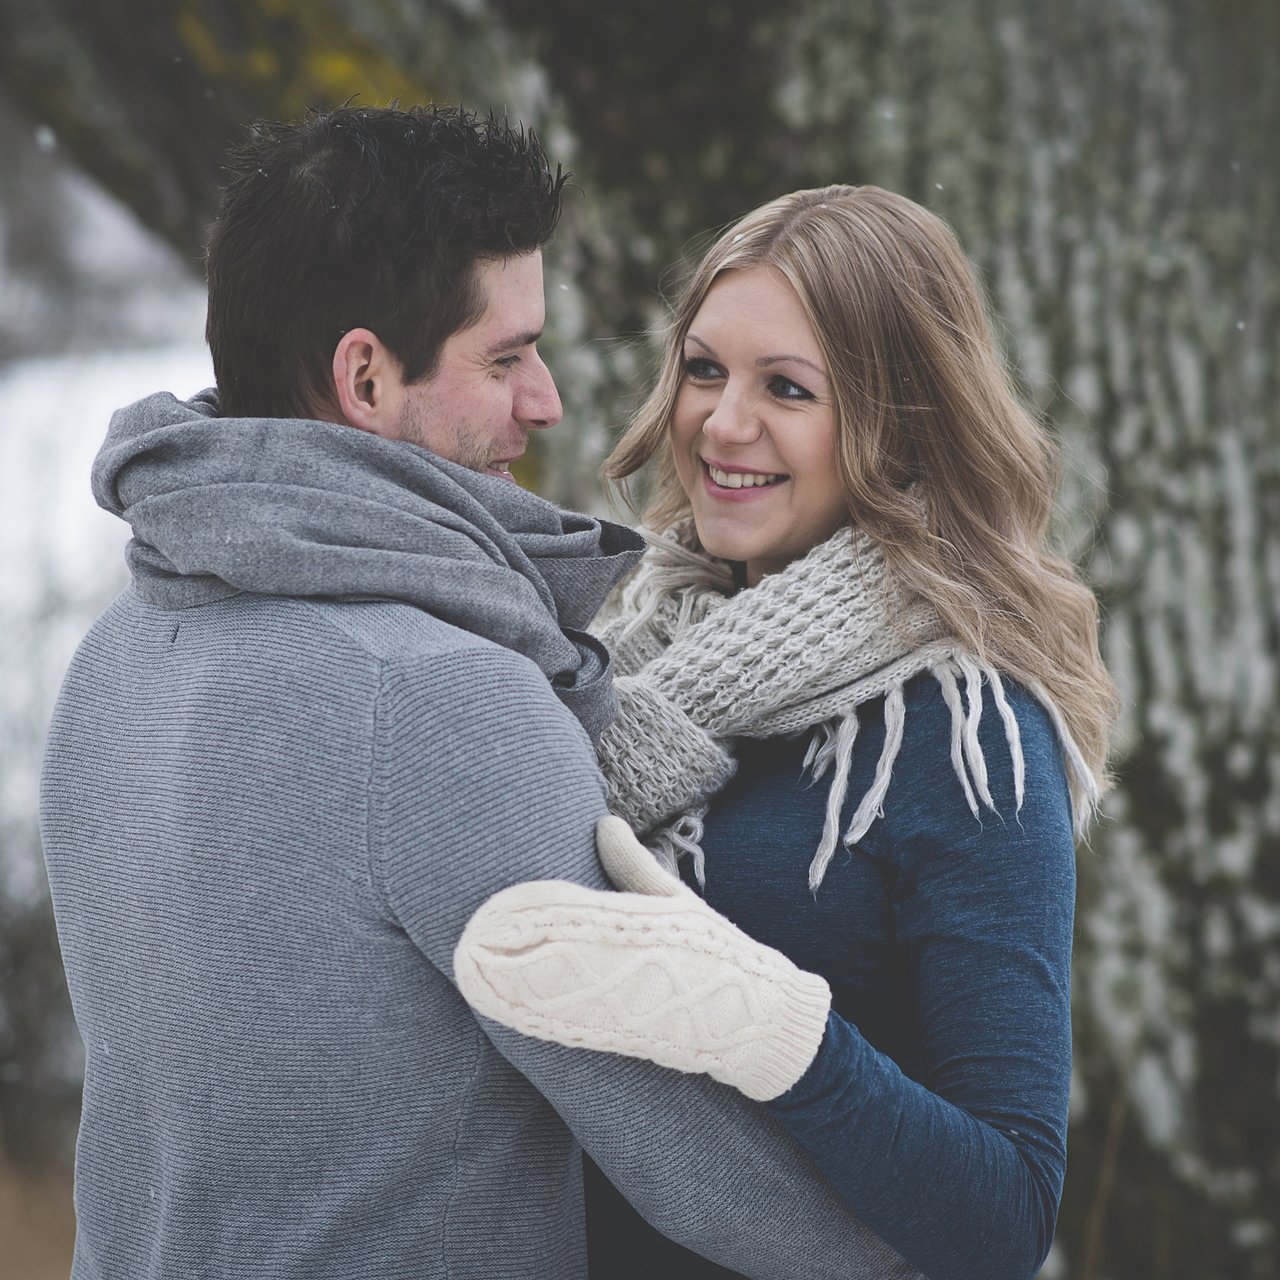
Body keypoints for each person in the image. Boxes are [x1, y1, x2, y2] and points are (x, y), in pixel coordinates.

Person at [38, 110, 923, 1280]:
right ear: (364, 375)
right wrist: (934, 1240)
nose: (544, 401)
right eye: (505, 359)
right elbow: (687, 1152)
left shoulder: (116, 657)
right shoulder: (438, 699)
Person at [456, 185, 1121, 1280]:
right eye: (704, 369)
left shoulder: (961, 732)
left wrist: (768, 1027)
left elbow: (1005, 1215)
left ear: (898, 422)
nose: (722, 423)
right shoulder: (617, 658)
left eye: (788, 388)